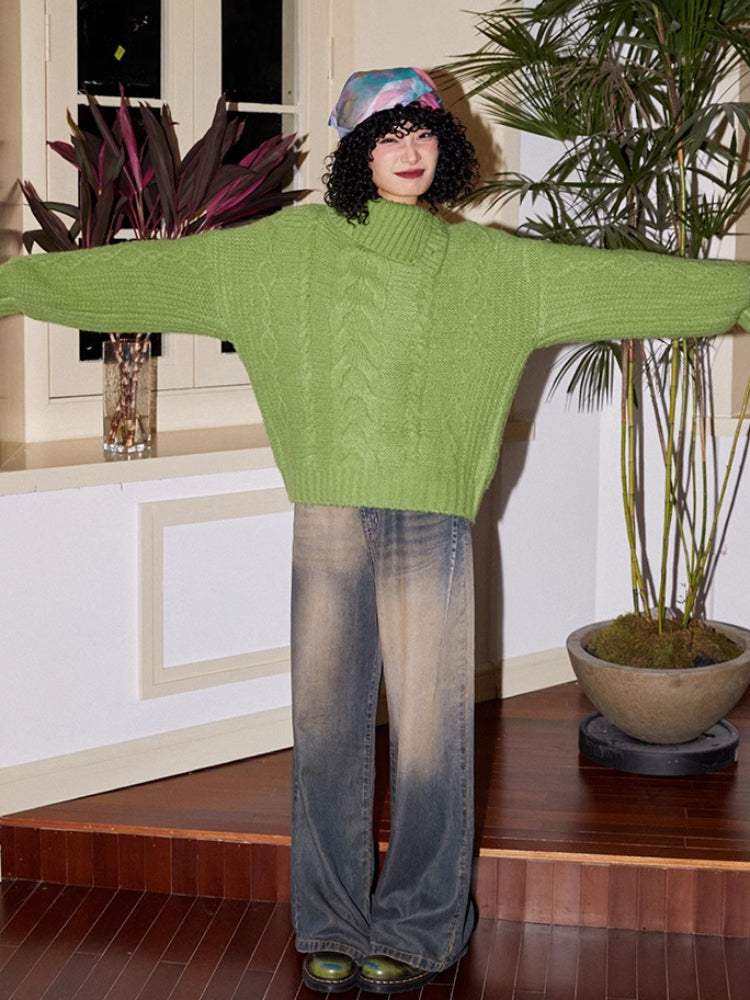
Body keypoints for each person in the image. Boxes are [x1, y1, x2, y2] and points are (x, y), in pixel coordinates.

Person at [2, 66, 750, 994]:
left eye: (424, 133)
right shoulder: (279, 253)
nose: (409, 150)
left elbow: (628, 284)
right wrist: (17, 284)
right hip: (327, 512)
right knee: (325, 727)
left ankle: (424, 924)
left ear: (447, 148)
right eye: (388, 134)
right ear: (356, 151)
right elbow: (140, 276)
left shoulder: (494, 267)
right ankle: (330, 919)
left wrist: (739, 292)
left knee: (433, 736)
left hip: (430, 518)